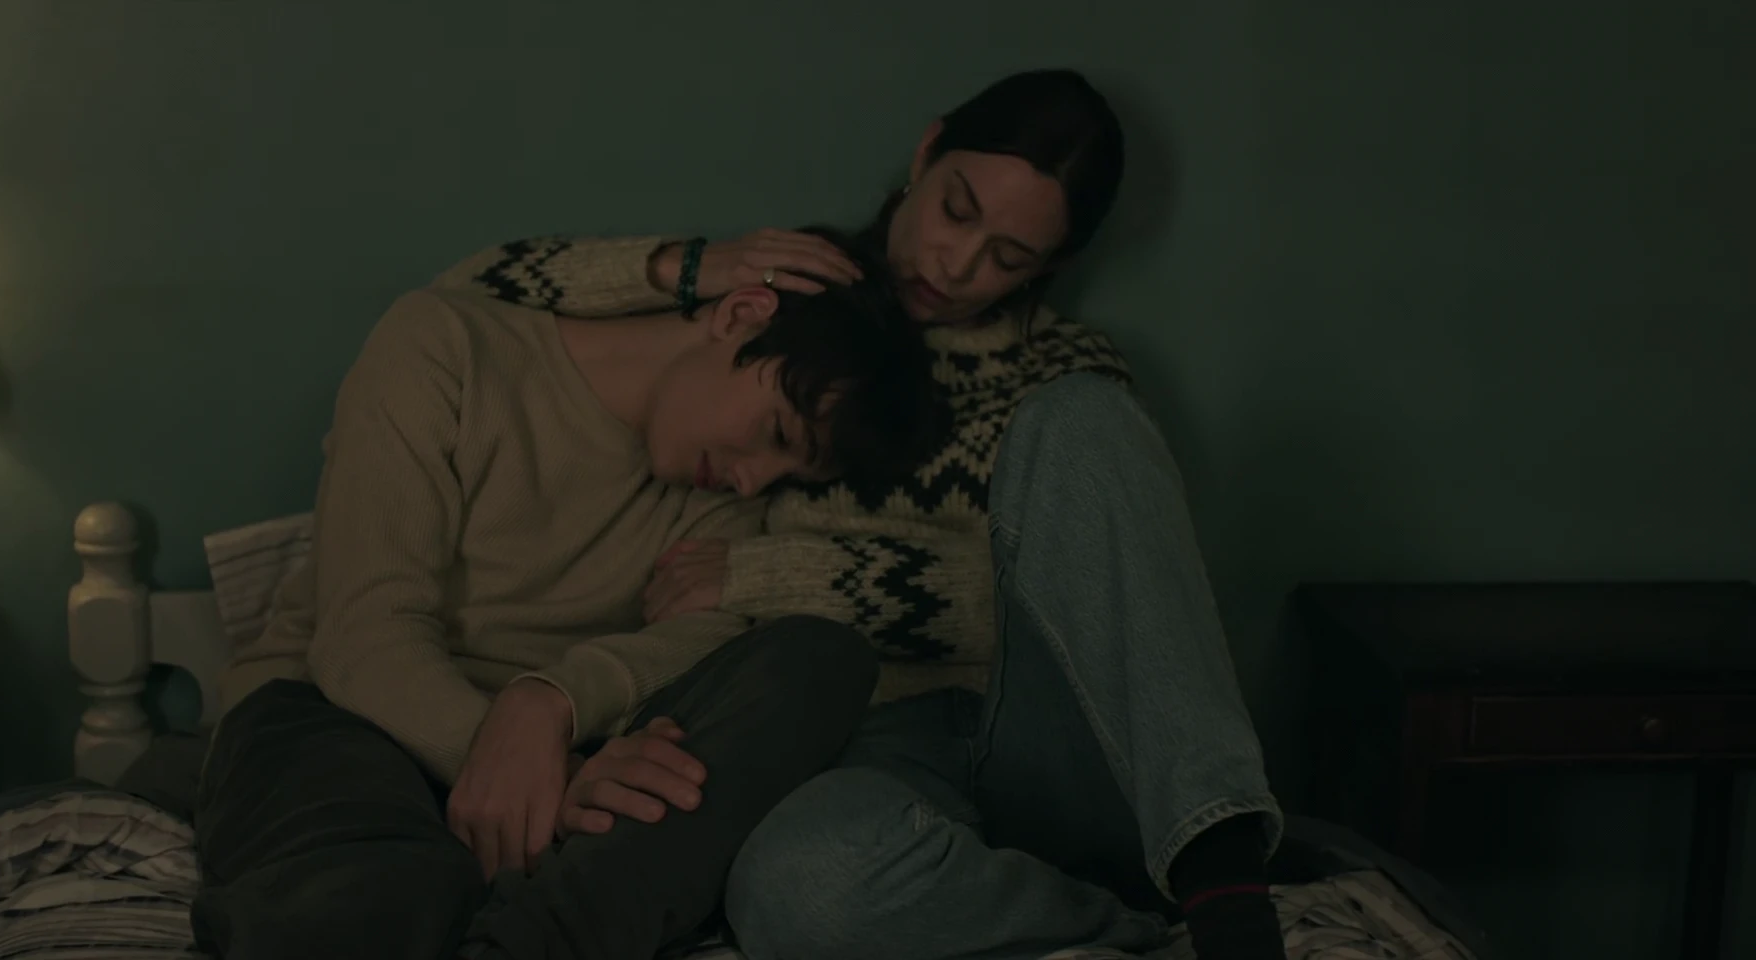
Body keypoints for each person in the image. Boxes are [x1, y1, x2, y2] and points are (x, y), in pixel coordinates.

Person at [430, 70, 1287, 960]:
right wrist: (688, 267)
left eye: (1008, 257)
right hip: (870, 743)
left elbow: (1105, 588)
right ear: (926, 153)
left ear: (1050, 268)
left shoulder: (1063, 367)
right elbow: (468, 301)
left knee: (1085, 416)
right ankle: (1137, 934)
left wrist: (786, 577)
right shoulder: (789, 302)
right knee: (801, 887)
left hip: (1048, 727)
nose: (956, 266)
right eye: (957, 210)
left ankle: (1229, 896)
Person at [191, 227, 946, 960]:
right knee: (379, 892)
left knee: (820, 657)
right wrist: (535, 772)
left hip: (557, 756)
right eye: (777, 434)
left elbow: (703, 635)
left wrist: (550, 703)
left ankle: (534, 942)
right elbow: (364, 638)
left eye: (788, 476)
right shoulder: (446, 343)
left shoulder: (724, 506)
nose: (754, 481)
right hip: (334, 715)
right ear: (741, 313)